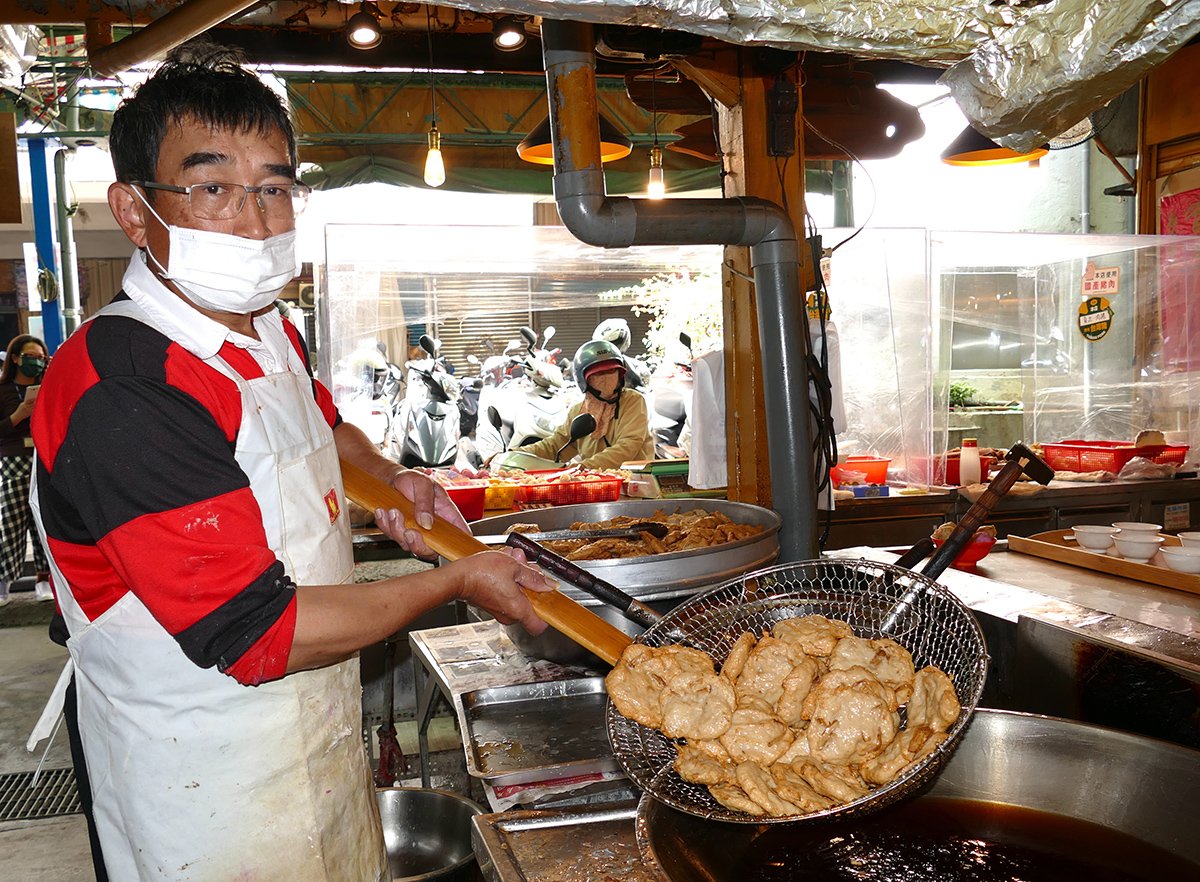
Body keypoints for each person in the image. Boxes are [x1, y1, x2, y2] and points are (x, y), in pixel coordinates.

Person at [29, 44, 553, 882]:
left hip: (314, 739)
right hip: (199, 787)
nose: (258, 220)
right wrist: (456, 581)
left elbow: (326, 432)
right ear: (133, 211)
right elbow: (258, 633)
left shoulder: (266, 328)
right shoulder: (123, 386)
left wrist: (395, 479)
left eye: (274, 188)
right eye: (214, 188)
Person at [511, 339, 654, 469]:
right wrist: (514, 454)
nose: (607, 378)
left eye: (612, 371)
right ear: (584, 380)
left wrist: (582, 467)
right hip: (594, 484)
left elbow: (627, 446)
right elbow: (555, 445)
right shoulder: (579, 410)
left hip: (633, 483)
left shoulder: (633, 401)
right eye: (598, 374)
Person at [0, 335, 53, 606]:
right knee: (12, 520)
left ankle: (43, 578)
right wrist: (19, 413)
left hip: (43, 459)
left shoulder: (48, 385)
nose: (37, 362)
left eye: (42, 358)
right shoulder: (4, 389)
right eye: (31, 357)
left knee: (43, 520)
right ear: (16, 358)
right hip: (15, 459)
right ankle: (4, 580)